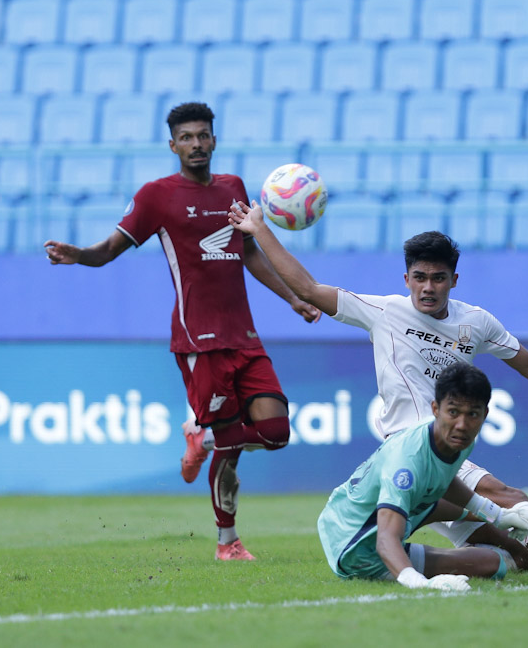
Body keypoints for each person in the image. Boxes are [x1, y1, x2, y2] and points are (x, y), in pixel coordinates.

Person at [227, 202, 528, 579]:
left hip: (447, 451)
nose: (427, 287)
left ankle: (477, 559)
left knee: (523, 558)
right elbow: (306, 288)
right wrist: (261, 229)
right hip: (412, 446)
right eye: (419, 278)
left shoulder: (476, 322)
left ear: (454, 279)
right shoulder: (382, 311)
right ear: (406, 278)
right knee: (507, 497)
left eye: (437, 278)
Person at [44, 102, 321, 561]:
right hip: (199, 340)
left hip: (245, 336)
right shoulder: (157, 195)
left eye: (203, 135)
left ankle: (205, 436)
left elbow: (248, 252)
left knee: (275, 431)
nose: (196, 144)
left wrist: (292, 298)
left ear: (214, 139)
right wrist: (81, 254)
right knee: (232, 448)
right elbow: (112, 248)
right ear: (172, 145)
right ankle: (227, 543)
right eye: (186, 137)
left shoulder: (233, 187)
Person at [318, 363, 528, 590]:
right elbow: (385, 540)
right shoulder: (406, 465)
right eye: (453, 412)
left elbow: (444, 481)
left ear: (485, 414)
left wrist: (498, 515)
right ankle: (458, 558)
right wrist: (421, 583)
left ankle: (471, 547)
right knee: (493, 564)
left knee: (473, 518)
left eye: (472, 414)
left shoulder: (454, 438)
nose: (462, 424)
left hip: (356, 515)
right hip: (358, 548)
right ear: (435, 409)